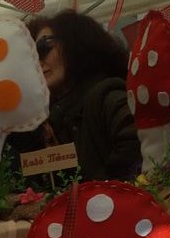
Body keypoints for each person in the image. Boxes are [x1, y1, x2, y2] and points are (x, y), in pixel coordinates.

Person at [26, 10, 141, 182]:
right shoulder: (55, 113)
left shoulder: (105, 94)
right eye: (32, 54)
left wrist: (99, 191)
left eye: (44, 47)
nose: (38, 61)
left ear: (76, 44)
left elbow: (139, 141)